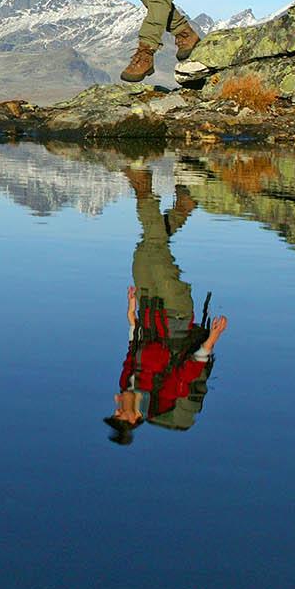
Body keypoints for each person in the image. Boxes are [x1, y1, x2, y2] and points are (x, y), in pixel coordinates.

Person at [104, 164, 229, 444]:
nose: (117, 408)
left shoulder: (126, 384)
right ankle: (143, 189)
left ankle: (183, 207)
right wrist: (213, 338)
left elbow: (131, 350)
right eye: (120, 415)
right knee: (156, 249)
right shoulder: (161, 398)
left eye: (114, 412)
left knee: (144, 250)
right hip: (176, 310)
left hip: (147, 307)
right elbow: (190, 369)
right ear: (135, 419)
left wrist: (131, 315)